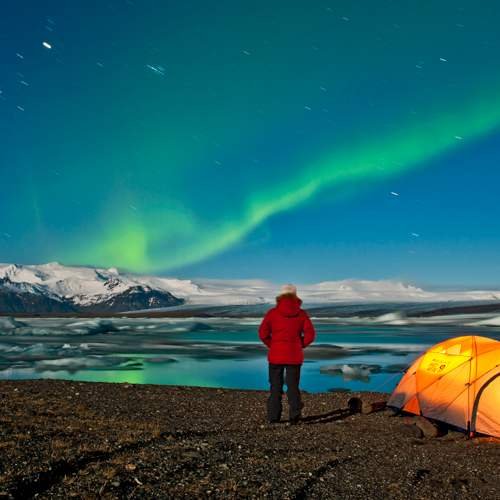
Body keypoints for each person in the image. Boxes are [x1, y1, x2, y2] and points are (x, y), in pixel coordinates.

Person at [258, 284, 315, 424]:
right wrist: (299, 345)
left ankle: (273, 417)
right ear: (296, 295)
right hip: (294, 356)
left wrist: (273, 345)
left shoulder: (272, 313)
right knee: (293, 386)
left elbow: (263, 333)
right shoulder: (301, 314)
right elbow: (310, 334)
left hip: (276, 356)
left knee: (275, 387)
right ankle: (295, 417)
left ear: (280, 296)